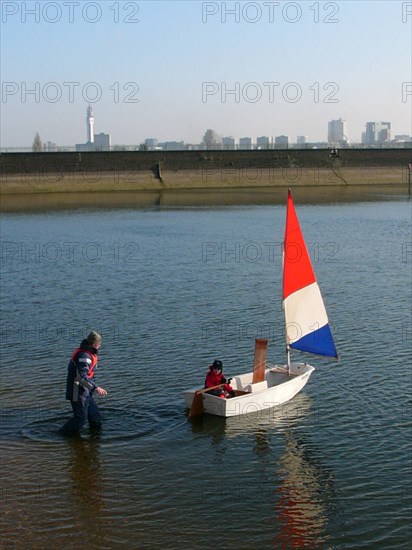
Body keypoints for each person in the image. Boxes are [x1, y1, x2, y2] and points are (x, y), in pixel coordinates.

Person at [60, 331, 107, 436]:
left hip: (86, 389)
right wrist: (96, 388)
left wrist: (92, 388)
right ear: (95, 344)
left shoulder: (88, 352)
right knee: (80, 419)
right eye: (99, 344)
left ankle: (93, 442)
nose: (100, 346)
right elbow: (82, 376)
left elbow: (88, 375)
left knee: (95, 419)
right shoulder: (84, 356)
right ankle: (62, 434)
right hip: (77, 390)